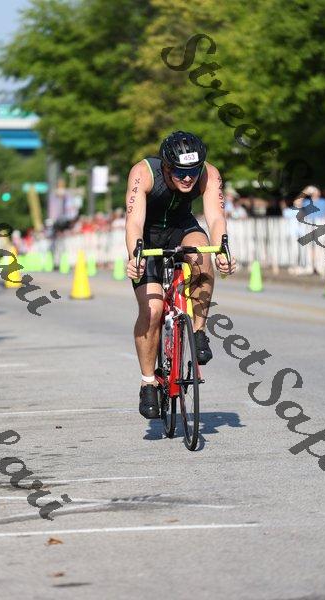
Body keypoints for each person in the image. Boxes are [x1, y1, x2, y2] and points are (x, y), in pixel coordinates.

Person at [125, 131, 237, 419]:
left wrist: (223, 250)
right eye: (179, 172)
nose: (188, 178)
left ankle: (198, 330)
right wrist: (135, 256)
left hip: (182, 228)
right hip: (148, 235)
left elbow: (215, 217)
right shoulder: (143, 173)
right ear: (165, 166)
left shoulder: (209, 173)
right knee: (152, 310)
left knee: (203, 257)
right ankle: (148, 382)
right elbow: (134, 221)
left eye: (193, 171)